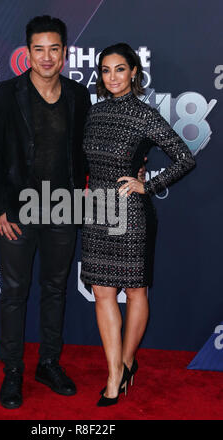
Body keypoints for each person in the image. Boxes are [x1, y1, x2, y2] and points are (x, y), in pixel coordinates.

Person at [0, 15, 92, 409]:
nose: (47, 57)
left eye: (54, 48)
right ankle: (12, 371)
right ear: (27, 53)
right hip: (19, 209)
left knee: (55, 290)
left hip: (63, 207)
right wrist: (0, 209)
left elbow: (87, 150)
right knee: (14, 293)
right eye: (39, 49)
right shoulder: (5, 95)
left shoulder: (79, 96)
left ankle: (48, 363)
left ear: (65, 53)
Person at [80, 43, 196, 406]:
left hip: (130, 215)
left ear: (134, 72)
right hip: (98, 211)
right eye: (105, 70)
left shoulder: (145, 115)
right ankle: (115, 370)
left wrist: (148, 184)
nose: (112, 77)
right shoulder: (93, 114)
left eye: (119, 69)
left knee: (134, 293)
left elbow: (184, 158)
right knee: (102, 293)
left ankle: (125, 364)